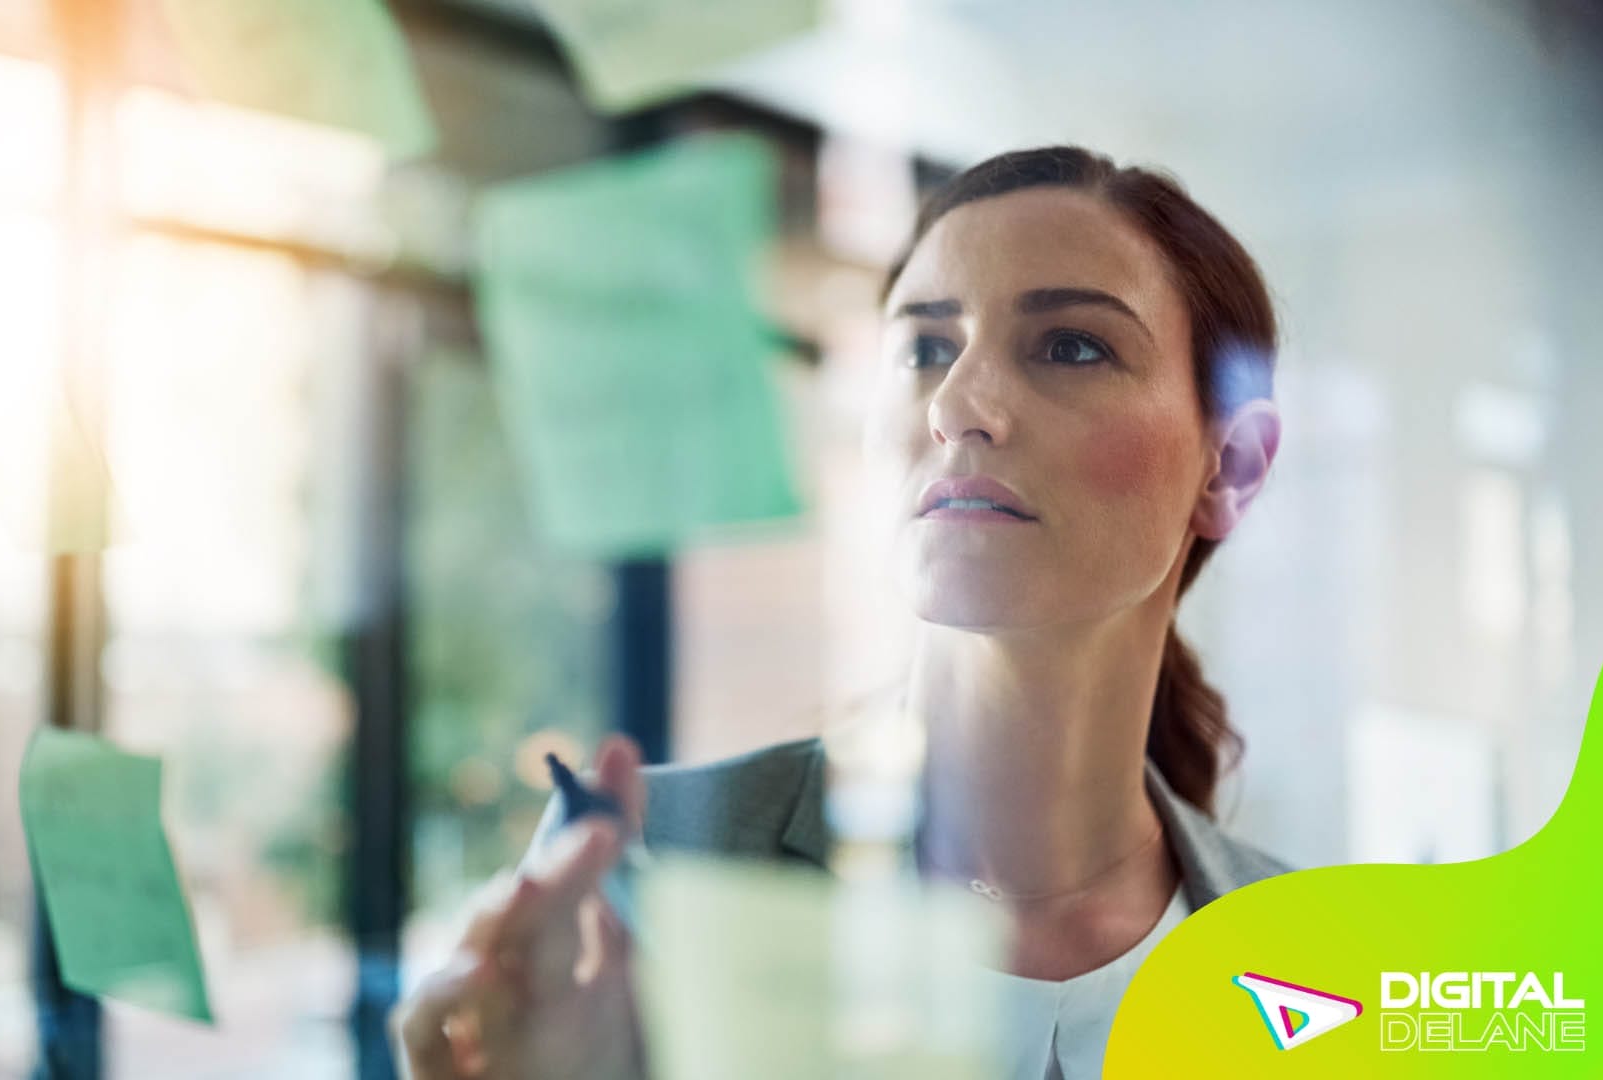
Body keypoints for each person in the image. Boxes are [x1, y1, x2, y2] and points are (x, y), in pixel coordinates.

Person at [392, 144, 1293, 1079]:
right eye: (926, 348)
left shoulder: (1308, 960)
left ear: (1229, 467)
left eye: (1071, 346)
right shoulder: (654, 867)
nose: (957, 405)